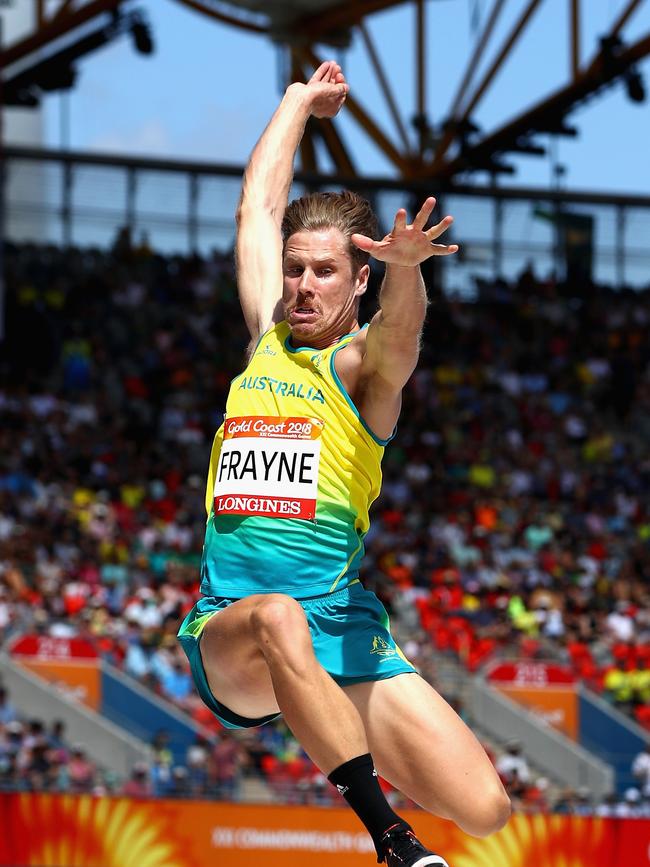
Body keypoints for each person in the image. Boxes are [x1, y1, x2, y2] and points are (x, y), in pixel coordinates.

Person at [178, 60, 510, 866]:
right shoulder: (265, 339)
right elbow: (257, 201)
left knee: (488, 809)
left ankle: (331, 716)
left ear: (358, 281)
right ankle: (389, 836)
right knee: (276, 614)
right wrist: (298, 102)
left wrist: (408, 268)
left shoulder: (362, 373)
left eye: (323, 271)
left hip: (339, 627)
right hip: (238, 638)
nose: (300, 284)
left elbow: (401, 338)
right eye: (294, 267)